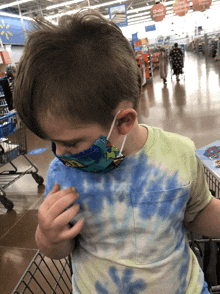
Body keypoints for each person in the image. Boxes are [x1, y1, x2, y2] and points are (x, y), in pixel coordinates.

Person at [13, 9, 220, 294]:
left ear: (124, 121)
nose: (59, 154)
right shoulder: (63, 175)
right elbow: (61, 249)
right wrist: (48, 235)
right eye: (52, 141)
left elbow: (197, 212)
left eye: (71, 143)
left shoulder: (178, 154)